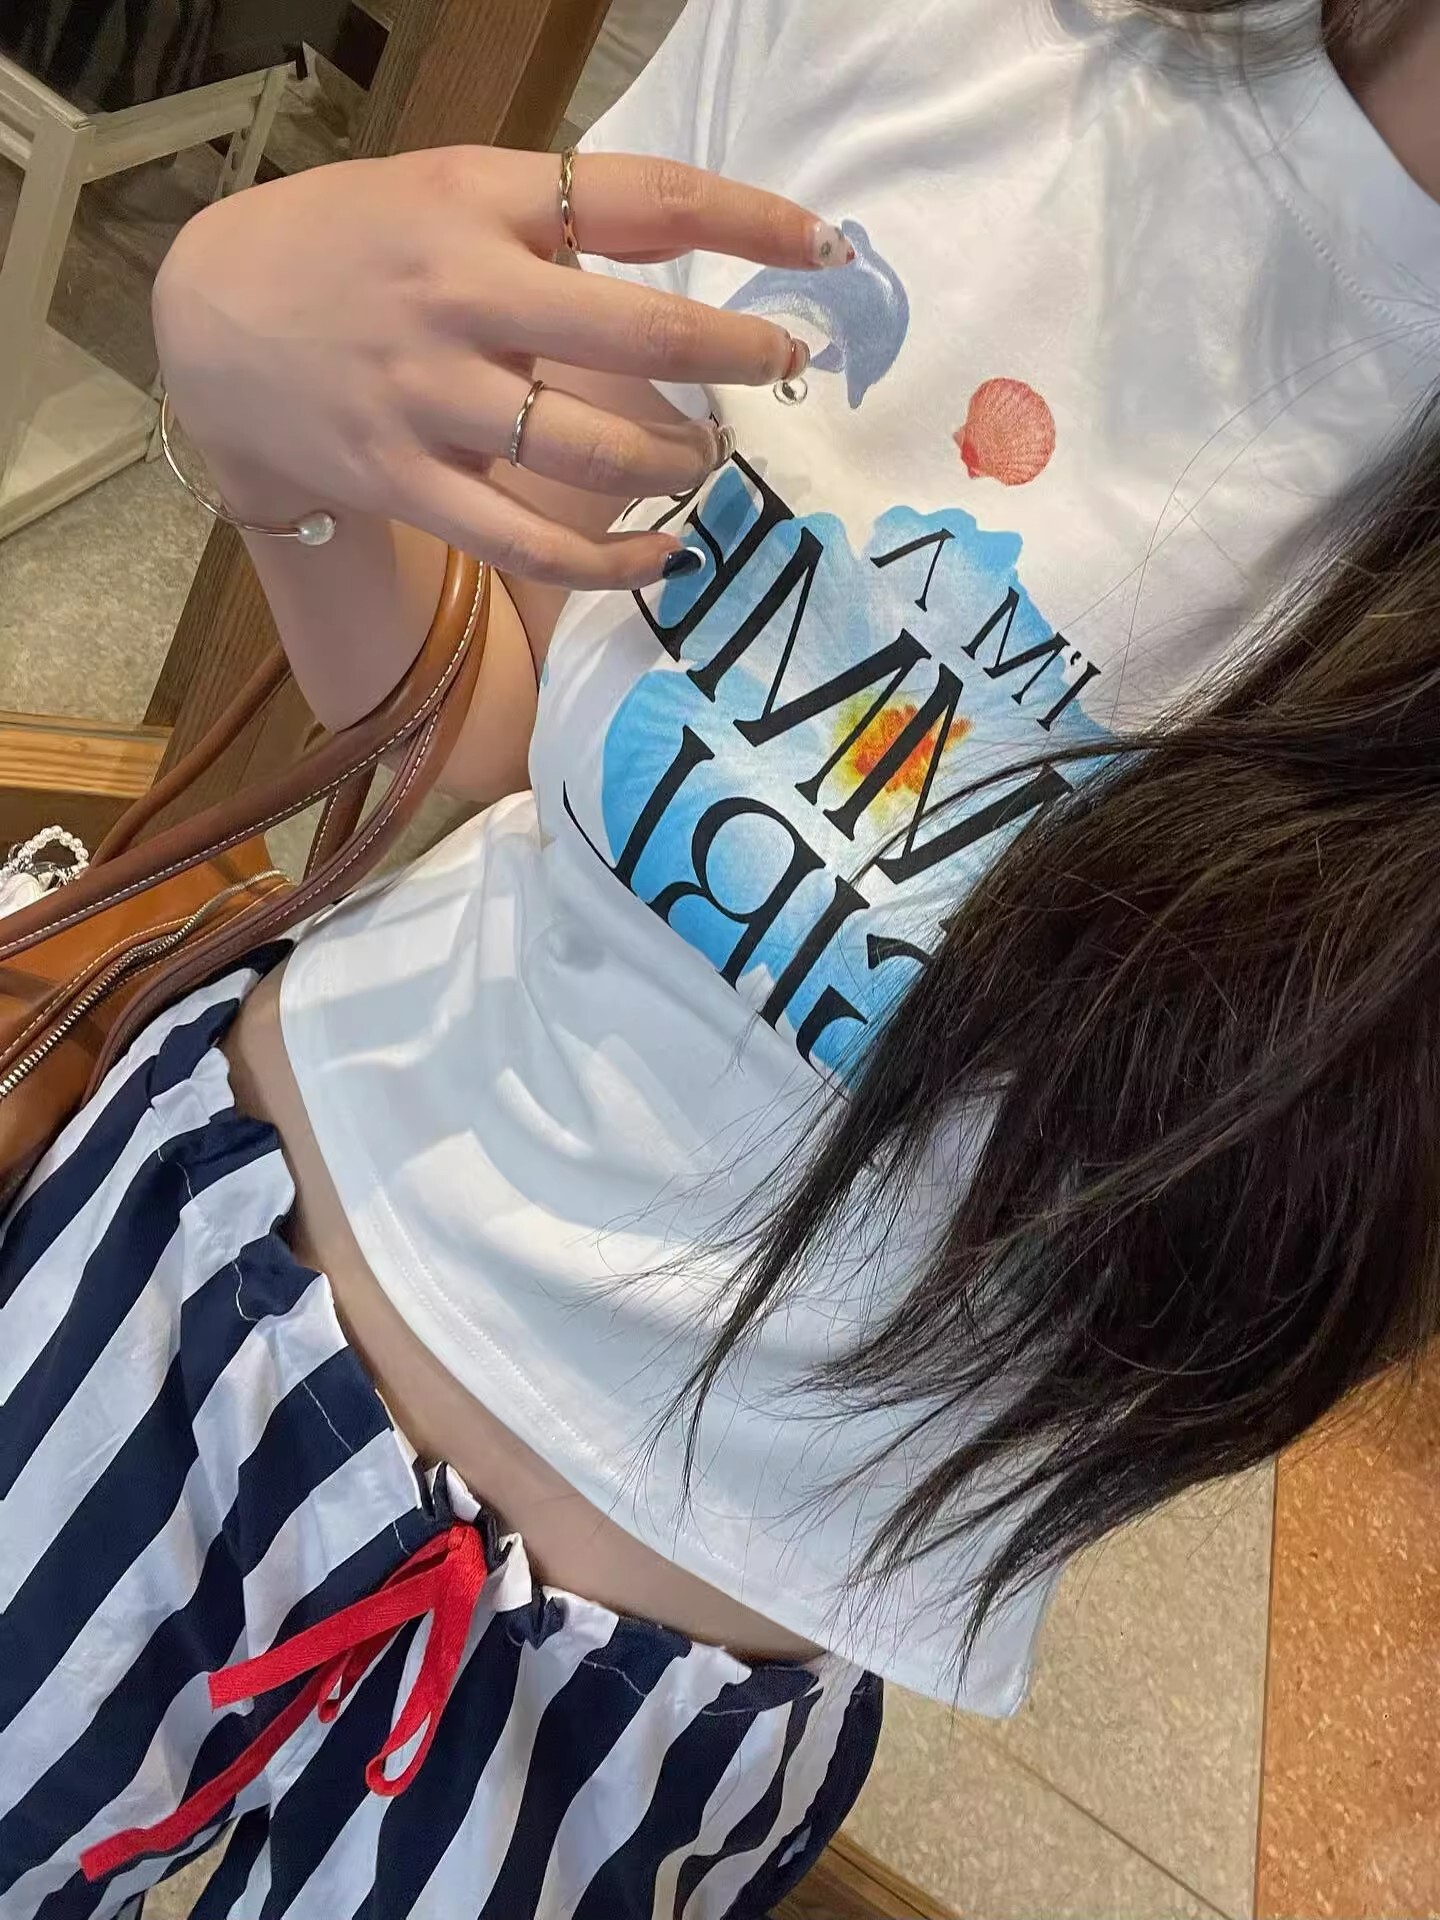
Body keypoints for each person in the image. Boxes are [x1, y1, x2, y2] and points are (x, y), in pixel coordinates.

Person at [3, 0, 1438, 1911]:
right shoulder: (944, 34)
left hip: (629, 1732)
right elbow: (505, 709)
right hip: (197, 1284)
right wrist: (256, 397)